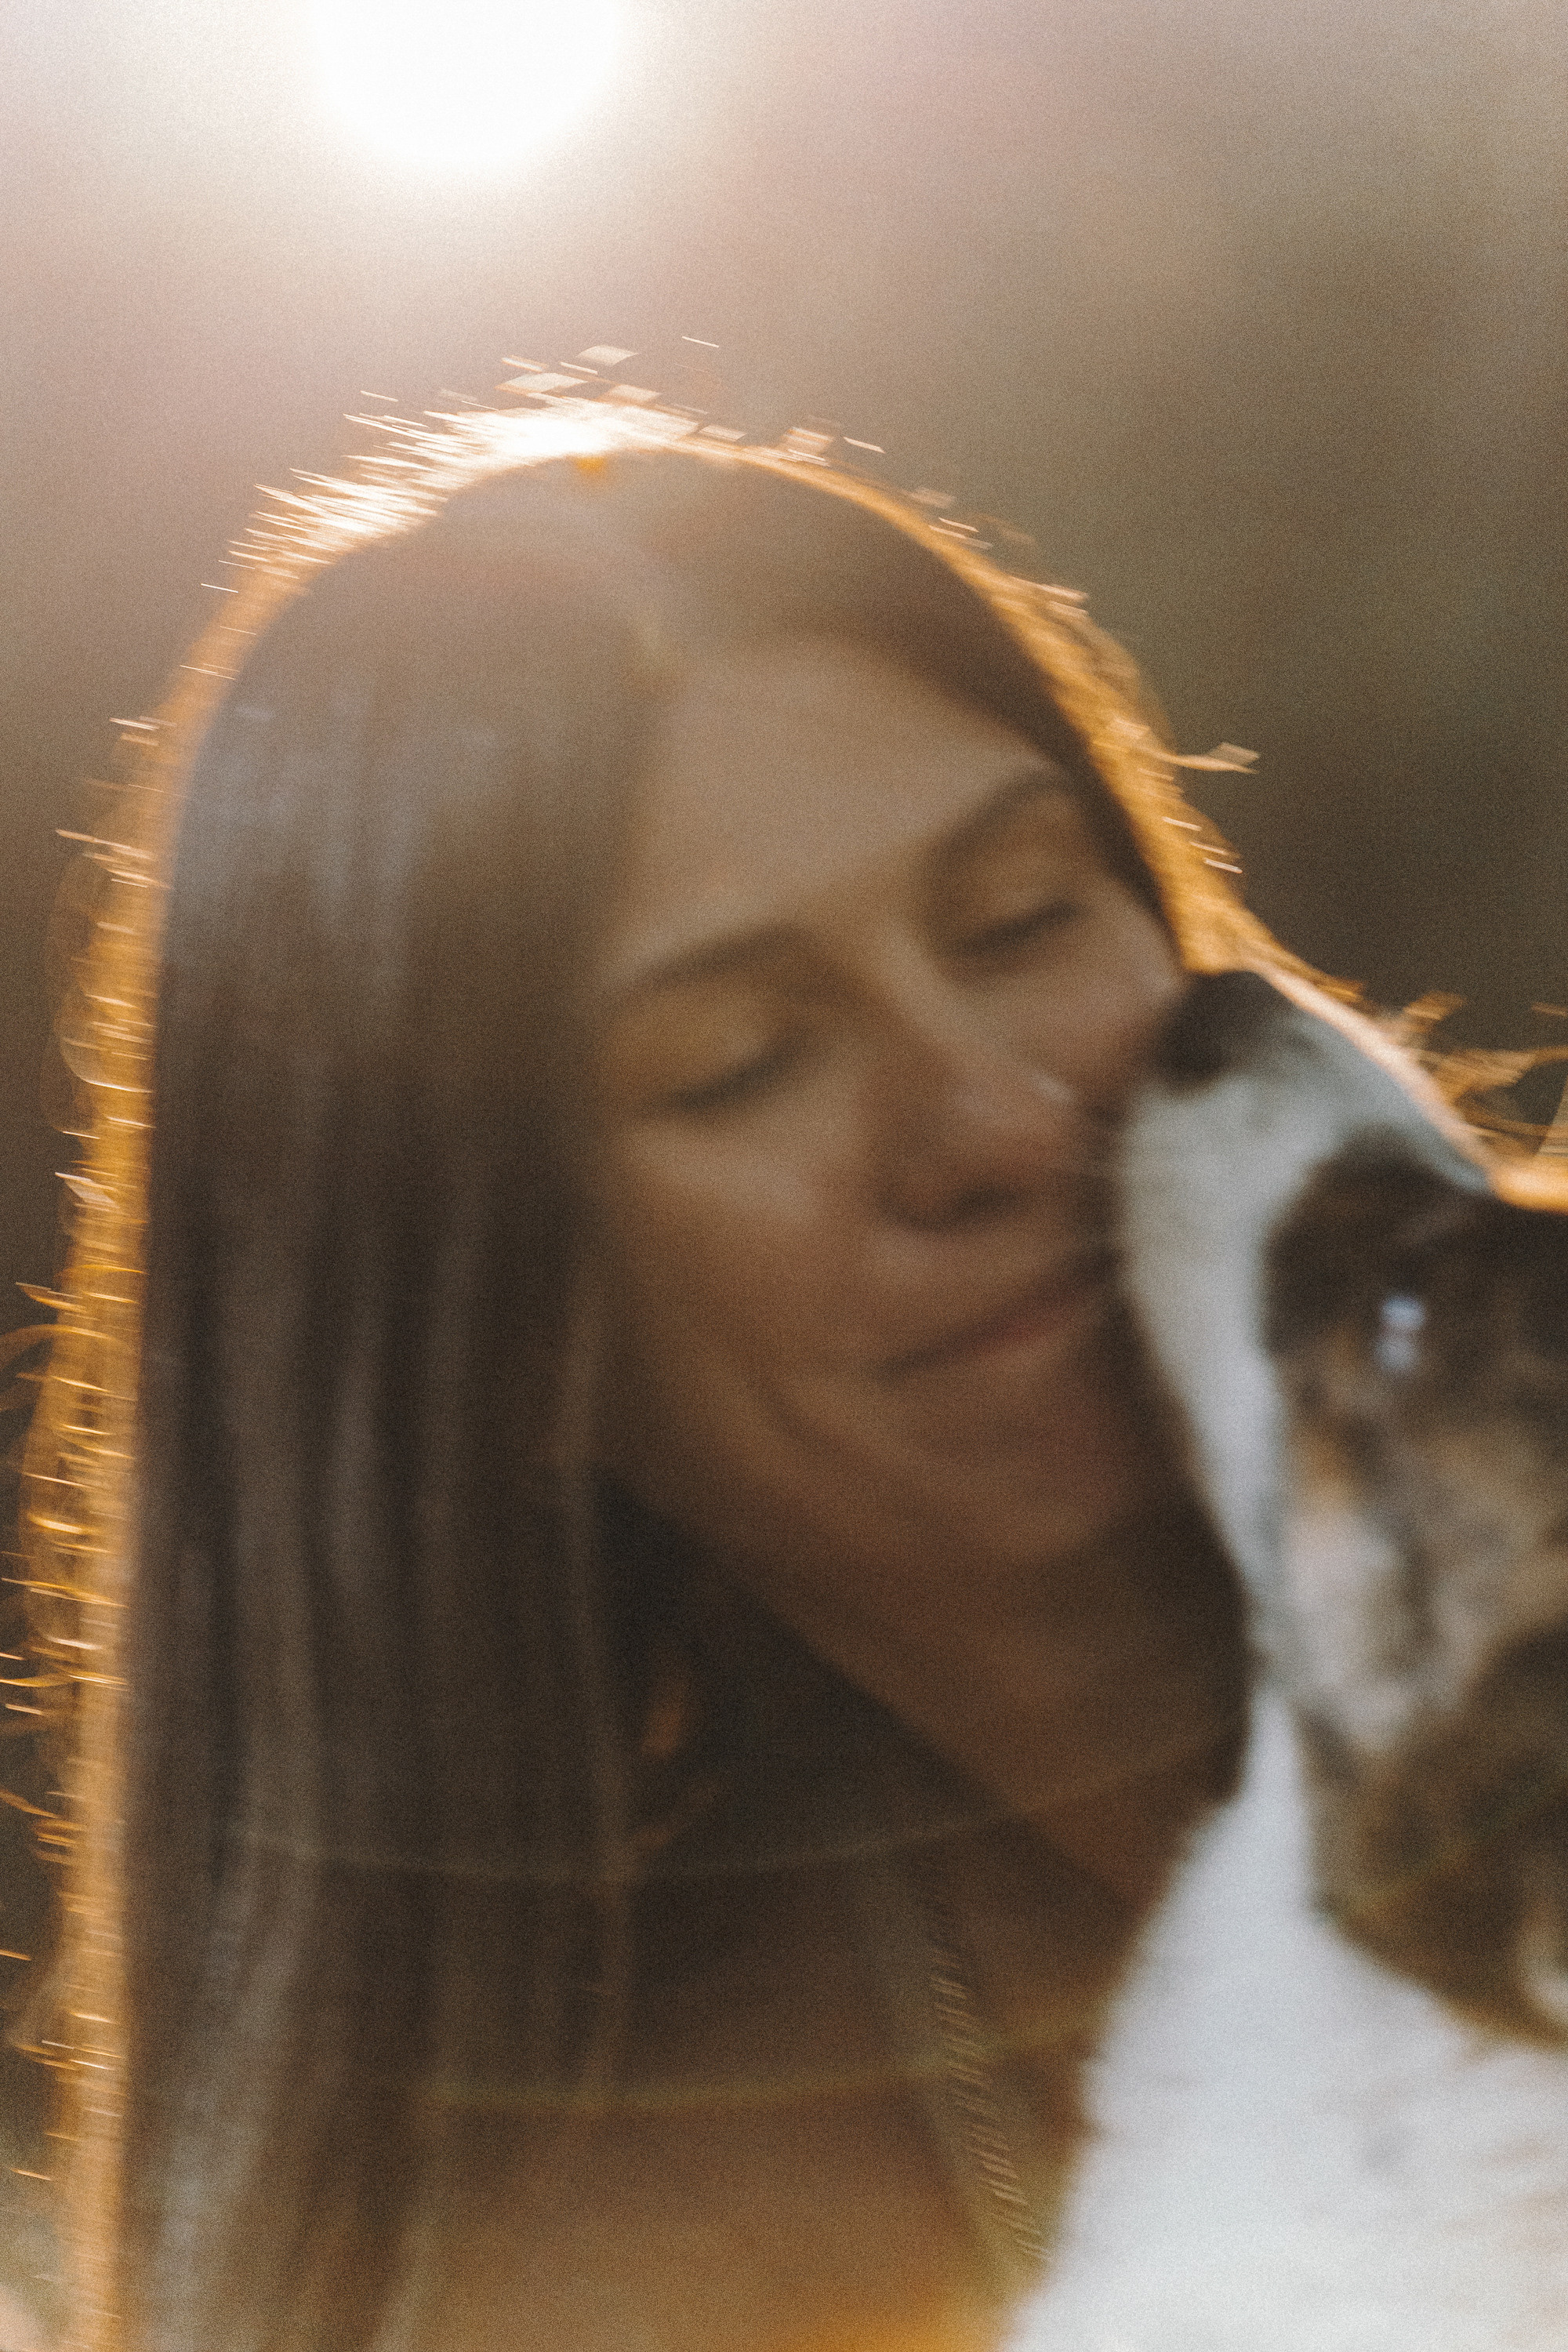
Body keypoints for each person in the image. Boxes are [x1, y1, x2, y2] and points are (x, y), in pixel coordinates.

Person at [20, 399, 1351, 2352]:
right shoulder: (584, 2276)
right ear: (499, 1345)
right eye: (739, 1059)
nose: (992, 1121)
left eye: (1017, 917)